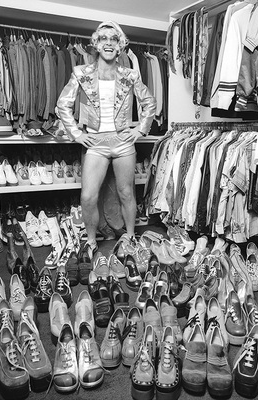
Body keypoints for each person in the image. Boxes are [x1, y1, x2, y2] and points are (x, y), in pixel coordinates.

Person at [57, 20, 156, 261]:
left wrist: (140, 130)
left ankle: (130, 238)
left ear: (120, 46)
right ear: (96, 44)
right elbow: (63, 104)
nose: (109, 43)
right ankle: (90, 242)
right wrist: (78, 134)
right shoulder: (81, 73)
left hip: (124, 143)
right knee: (88, 196)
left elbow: (149, 103)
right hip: (96, 144)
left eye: (114, 39)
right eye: (104, 39)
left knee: (126, 193)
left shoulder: (130, 75)